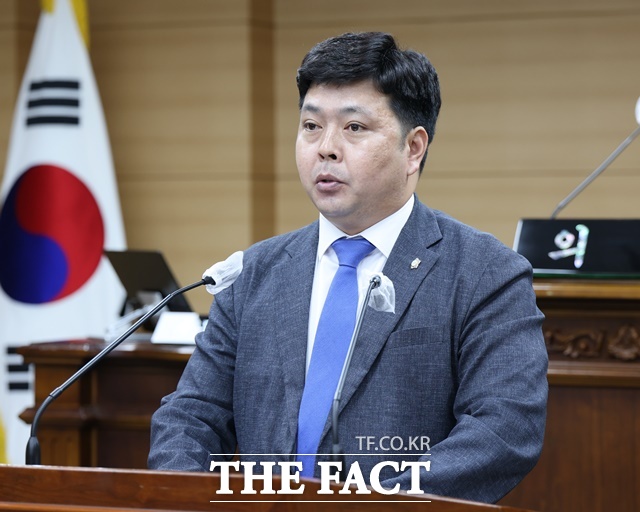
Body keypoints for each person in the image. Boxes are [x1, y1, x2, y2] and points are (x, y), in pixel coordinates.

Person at [148, 31, 548, 504]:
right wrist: (188, 499)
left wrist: (368, 504)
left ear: (413, 148)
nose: (326, 148)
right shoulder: (253, 273)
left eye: (354, 127)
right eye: (311, 126)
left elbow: (503, 431)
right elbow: (191, 416)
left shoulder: (485, 273)